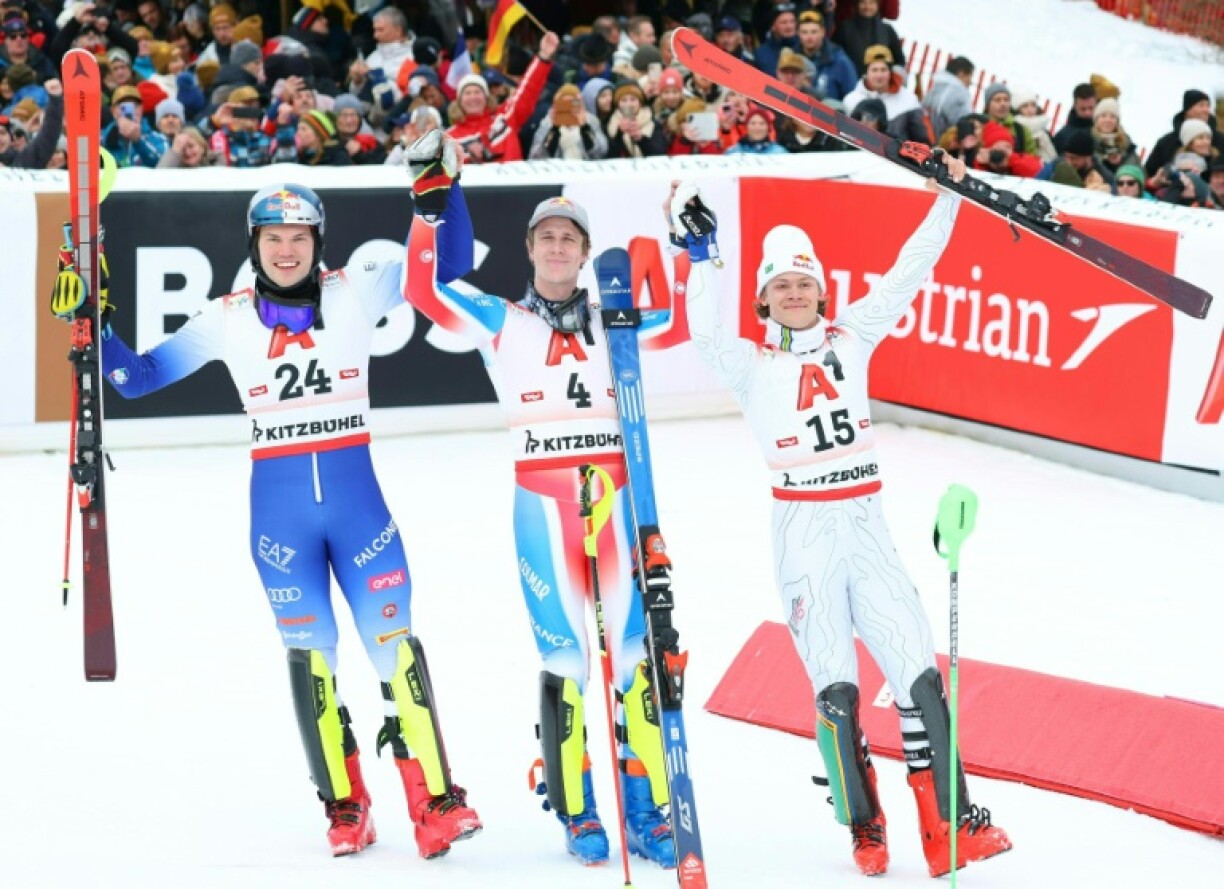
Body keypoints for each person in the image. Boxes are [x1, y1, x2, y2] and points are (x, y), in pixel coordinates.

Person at [48, 182, 483, 861]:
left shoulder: (355, 291)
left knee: (395, 649)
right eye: (273, 238)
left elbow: (447, 267)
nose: (286, 249)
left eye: (299, 237)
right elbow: (134, 380)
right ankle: (344, 805)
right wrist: (94, 320)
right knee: (313, 662)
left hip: (360, 510)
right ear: (254, 245)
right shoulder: (225, 317)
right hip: (280, 526)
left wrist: (441, 188)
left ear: (318, 242)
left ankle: (435, 802)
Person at [666, 157, 1013, 879]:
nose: (795, 294)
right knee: (837, 692)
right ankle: (865, 827)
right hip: (804, 532)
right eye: (782, 286)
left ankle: (950, 825)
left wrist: (945, 203)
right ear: (765, 298)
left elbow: (908, 273)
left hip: (866, 523)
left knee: (921, 677)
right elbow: (700, 327)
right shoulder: (751, 365)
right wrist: (701, 252)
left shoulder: (853, 335)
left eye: (805, 282)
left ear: (821, 289)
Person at [400, 130, 678, 870]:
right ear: (529, 249)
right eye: (546, 236)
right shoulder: (502, 320)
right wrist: (428, 209)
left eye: (570, 237)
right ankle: (577, 805)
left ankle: (645, 808)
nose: (558, 247)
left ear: (585, 252)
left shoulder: (614, 319)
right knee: (566, 662)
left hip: (616, 502)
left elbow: (681, 324)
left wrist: (692, 251)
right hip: (542, 507)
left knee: (632, 659)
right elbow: (424, 291)